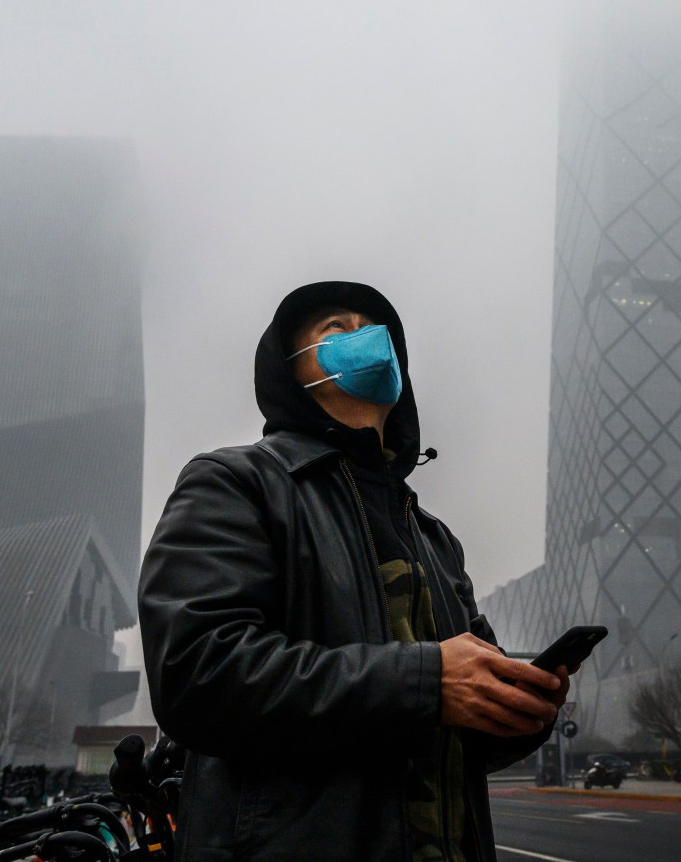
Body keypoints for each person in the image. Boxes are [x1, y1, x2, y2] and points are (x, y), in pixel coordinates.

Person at [139, 281, 570, 862]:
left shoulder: (434, 538)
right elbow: (196, 674)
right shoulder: (237, 484)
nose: (363, 338)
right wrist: (425, 682)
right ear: (291, 369)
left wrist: (518, 708)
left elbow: (460, 732)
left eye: (374, 330)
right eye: (336, 328)